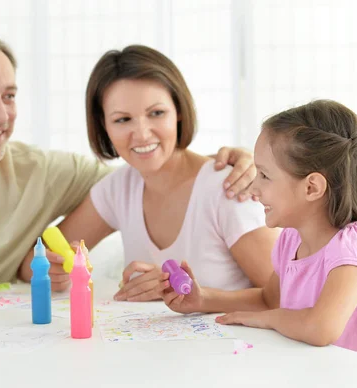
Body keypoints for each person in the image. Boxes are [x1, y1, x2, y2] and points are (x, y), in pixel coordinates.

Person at [0, 31, 258, 297]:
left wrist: (227, 165)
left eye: (9, 96)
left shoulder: (45, 172)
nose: (0, 114)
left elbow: (151, 168)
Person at [39, 45, 278, 302]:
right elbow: (35, 260)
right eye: (122, 119)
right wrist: (52, 267)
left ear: (178, 112)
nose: (142, 133)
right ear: (103, 126)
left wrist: (187, 291)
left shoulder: (228, 189)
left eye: (156, 113)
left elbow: (289, 297)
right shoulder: (118, 188)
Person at [160, 100, 357, 359]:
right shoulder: (291, 239)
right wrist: (203, 300)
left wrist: (270, 319)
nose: (254, 188)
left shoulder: (354, 243)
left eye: (264, 176)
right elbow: (269, 299)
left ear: (311, 187)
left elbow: (321, 328)